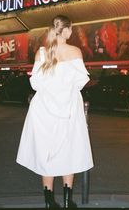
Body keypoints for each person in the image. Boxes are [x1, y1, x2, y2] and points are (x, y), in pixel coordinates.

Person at [16, 15, 94, 208]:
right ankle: (68, 201)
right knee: (70, 151)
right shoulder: (75, 51)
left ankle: (49, 202)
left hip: (43, 111)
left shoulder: (41, 53)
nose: (71, 33)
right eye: (71, 30)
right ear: (66, 30)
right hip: (69, 109)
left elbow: (35, 83)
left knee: (46, 153)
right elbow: (81, 82)